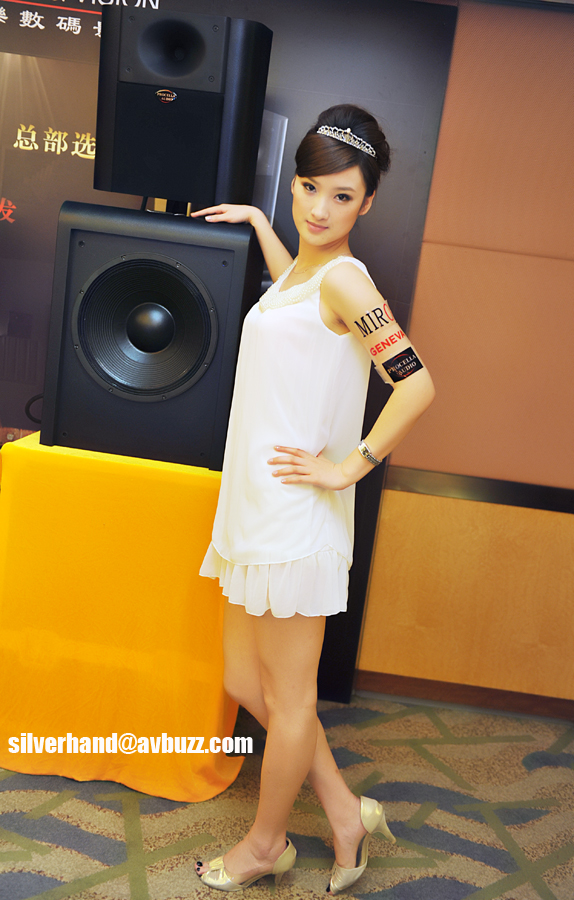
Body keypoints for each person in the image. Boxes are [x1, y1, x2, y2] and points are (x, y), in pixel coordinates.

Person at [191, 105, 435, 894]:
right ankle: (343, 812)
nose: (319, 209)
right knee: (244, 683)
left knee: (289, 699)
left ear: (367, 203)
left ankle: (268, 845)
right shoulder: (305, 273)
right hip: (252, 510)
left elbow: (416, 384)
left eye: (341, 196)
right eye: (307, 188)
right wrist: (264, 225)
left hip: (296, 520)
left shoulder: (346, 279)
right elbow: (294, 305)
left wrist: (349, 468)